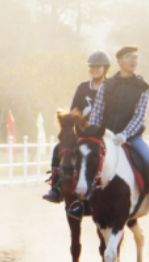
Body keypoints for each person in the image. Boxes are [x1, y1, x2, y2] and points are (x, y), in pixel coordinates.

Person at [67, 46, 149, 219]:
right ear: (119, 61)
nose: (133, 60)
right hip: (106, 135)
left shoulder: (142, 87)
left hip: (131, 137)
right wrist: (92, 133)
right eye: (129, 57)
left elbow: (139, 116)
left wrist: (125, 134)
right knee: (86, 160)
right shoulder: (107, 85)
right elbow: (97, 113)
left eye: (136, 57)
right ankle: (82, 203)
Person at [42, 50, 110, 203]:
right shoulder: (82, 87)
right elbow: (74, 110)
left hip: (102, 132)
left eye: (98, 67)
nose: (94, 70)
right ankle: (56, 187)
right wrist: (79, 119)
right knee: (57, 149)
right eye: (91, 67)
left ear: (105, 68)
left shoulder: (111, 87)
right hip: (82, 131)